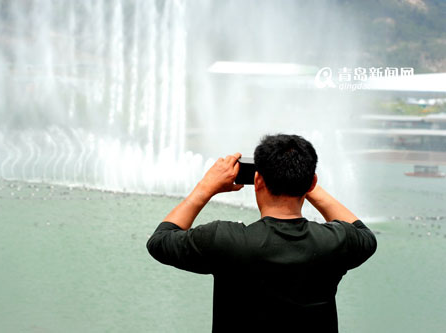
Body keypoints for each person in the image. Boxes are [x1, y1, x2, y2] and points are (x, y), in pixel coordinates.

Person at [146, 134, 377, 332]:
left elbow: (160, 240)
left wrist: (206, 187)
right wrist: (305, 184)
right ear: (312, 183)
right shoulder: (335, 241)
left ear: (257, 180)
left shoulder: (225, 239)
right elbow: (364, 234)